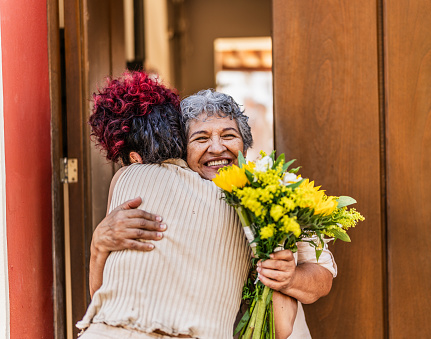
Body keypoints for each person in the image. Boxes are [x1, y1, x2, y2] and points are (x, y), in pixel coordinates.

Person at [89, 88, 338, 338]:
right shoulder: (161, 200)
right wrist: (98, 246)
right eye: (201, 138)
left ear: (245, 144)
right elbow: (104, 294)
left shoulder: (273, 191)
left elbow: (322, 278)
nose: (217, 148)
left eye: (228, 135)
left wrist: (290, 277)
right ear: (182, 148)